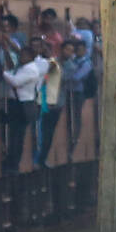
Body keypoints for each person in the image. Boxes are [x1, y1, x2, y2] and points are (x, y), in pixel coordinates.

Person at [1, 44, 46, 174]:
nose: (21, 57)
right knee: (14, 134)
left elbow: (15, 81)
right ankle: (10, 161)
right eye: (21, 54)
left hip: (23, 105)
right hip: (17, 103)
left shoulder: (31, 70)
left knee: (18, 136)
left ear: (31, 57)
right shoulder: (22, 67)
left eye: (24, 55)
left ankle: (14, 163)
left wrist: (2, 72)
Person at [35, 38, 66, 169]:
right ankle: (39, 159)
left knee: (47, 134)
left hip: (52, 104)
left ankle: (41, 159)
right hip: (41, 103)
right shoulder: (36, 63)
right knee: (41, 133)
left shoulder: (53, 63)